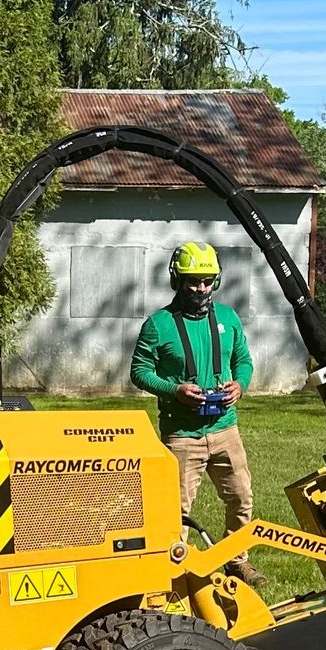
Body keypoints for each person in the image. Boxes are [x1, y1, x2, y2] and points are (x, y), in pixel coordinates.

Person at [130, 241, 265, 588]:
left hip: (225, 429)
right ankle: (175, 575)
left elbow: (243, 360)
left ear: (216, 281)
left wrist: (240, 384)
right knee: (176, 510)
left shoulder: (229, 318)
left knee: (241, 497)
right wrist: (174, 390)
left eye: (207, 280)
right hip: (181, 435)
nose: (200, 288)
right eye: (192, 281)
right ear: (177, 280)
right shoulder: (157, 325)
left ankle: (237, 561)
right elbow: (140, 371)